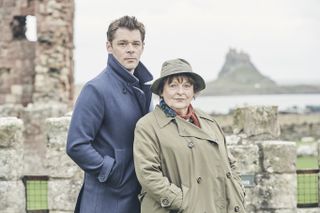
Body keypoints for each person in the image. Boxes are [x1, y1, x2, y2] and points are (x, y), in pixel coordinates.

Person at [133, 58, 246, 213]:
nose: (181, 92)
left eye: (187, 86)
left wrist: (237, 190)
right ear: (161, 91)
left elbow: (230, 163)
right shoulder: (147, 126)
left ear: (194, 91)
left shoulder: (209, 121)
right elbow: (148, 175)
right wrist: (184, 202)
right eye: (173, 85)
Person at [66, 16, 153, 213]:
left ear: (142, 47)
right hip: (106, 199)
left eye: (135, 43)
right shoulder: (95, 89)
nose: (130, 49)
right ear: (109, 46)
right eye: (122, 43)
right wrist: (112, 171)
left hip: (135, 197)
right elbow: (76, 145)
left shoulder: (144, 88)